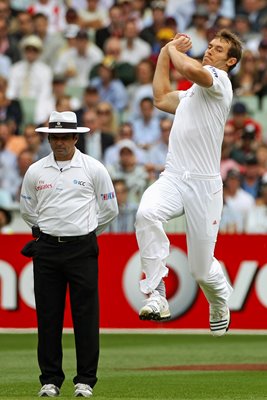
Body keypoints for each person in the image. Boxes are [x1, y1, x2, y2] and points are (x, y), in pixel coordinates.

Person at [135, 29, 242, 337]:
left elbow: (190, 68)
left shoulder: (219, 83)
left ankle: (220, 299)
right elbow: (159, 97)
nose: (210, 50)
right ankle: (156, 293)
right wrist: (165, 53)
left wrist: (170, 49)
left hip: (204, 187)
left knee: (200, 269)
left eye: (218, 49)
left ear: (230, 61)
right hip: (173, 177)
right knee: (146, 214)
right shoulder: (191, 94)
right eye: (209, 46)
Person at [20, 111, 118, 397]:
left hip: (82, 248)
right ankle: (50, 379)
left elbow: (109, 209)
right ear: (49, 138)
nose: (60, 142)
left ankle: (85, 380)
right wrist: (47, 232)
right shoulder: (36, 170)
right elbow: (28, 210)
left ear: (76, 137)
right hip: (47, 248)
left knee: (85, 316)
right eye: (55, 137)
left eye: (65, 136)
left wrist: (86, 232)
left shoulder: (93, 168)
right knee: (48, 316)